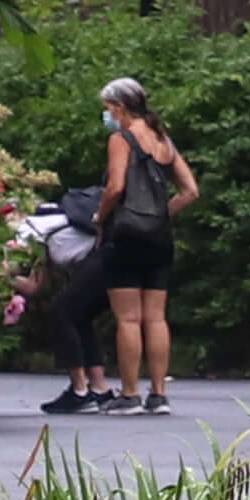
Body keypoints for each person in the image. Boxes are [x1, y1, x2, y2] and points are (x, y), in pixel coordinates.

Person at [93, 76, 197, 416]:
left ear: (120, 108)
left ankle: (130, 393)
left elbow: (116, 187)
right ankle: (159, 393)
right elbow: (190, 191)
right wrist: (160, 215)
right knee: (155, 317)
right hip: (159, 236)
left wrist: (100, 217)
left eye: (108, 109)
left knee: (128, 317)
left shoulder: (121, 138)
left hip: (125, 234)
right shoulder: (163, 139)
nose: (107, 115)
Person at [20, 174, 121, 414]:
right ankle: (99, 388)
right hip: (118, 258)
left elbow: (33, 287)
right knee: (79, 315)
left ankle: (79, 391)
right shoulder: (55, 222)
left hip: (102, 260)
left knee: (60, 313)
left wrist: (2, 275)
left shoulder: (28, 231)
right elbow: (39, 285)